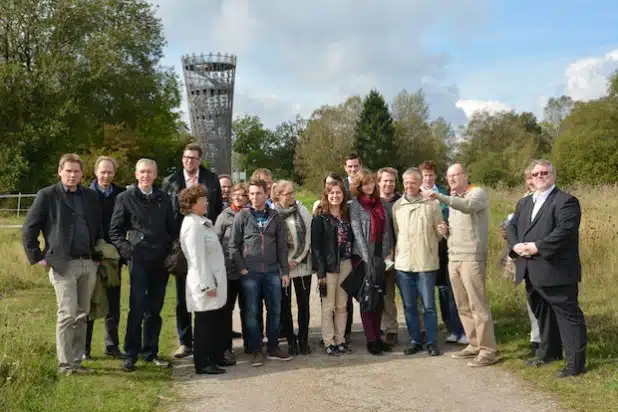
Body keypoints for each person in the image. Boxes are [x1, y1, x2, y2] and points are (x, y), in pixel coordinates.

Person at [22, 154, 102, 375]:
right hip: (62, 265)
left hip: (88, 262)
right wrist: (38, 257)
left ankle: (77, 362)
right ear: (60, 172)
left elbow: (97, 226)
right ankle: (65, 365)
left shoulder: (90, 196)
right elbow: (29, 229)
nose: (72, 175)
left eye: (76, 171)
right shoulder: (47, 195)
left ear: (82, 174)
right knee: (67, 314)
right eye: (68, 171)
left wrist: (98, 255)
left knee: (82, 314)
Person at [508, 160, 587, 378]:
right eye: (536, 173)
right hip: (530, 270)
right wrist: (515, 246)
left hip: (557, 271)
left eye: (545, 172)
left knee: (568, 317)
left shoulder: (567, 201)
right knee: (542, 313)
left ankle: (576, 365)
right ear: (530, 178)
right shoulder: (524, 203)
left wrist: (536, 247)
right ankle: (549, 352)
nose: (540, 176)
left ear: (553, 175)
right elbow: (513, 226)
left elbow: (564, 232)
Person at [423, 163, 497, 367]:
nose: (452, 179)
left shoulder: (477, 194)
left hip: (472, 257)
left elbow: (467, 207)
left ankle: (488, 350)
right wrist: (445, 231)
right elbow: (457, 227)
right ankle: (473, 344)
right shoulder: (455, 199)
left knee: (478, 305)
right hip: (453, 257)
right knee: (463, 305)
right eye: (449, 176)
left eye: (456, 175)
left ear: (465, 175)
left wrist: (438, 197)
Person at [110, 158, 176, 372]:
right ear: (136, 175)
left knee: (154, 310)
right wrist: (128, 251)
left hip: (160, 262)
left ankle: (150, 352)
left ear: (155, 175)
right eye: (142, 172)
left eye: (149, 172)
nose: (145, 176)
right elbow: (115, 231)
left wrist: (170, 253)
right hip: (138, 261)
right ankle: (131, 354)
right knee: (136, 308)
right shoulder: (125, 198)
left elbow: (171, 229)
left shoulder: (164, 198)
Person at [162, 143, 223, 359]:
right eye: (186, 157)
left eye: (193, 158)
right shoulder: (170, 181)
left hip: (204, 238)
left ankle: (206, 342)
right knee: (183, 296)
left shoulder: (210, 179)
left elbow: (216, 209)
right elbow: (166, 215)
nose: (189, 161)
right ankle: (185, 341)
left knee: (206, 290)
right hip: (180, 244)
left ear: (200, 160)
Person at [229, 179, 293, 367]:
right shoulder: (242, 216)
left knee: (275, 310)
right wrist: (242, 267)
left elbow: (282, 246)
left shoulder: (275, 216)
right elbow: (234, 245)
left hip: (273, 271)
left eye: (259, 193)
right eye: (252, 194)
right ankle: (256, 350)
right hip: (250, 273)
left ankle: (273, 347)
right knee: (252, 312)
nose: (255, 197)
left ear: (266, 194)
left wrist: (285, 271)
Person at [178, 185, 232, 374]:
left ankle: (216, 356)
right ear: (193, 204)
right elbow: (197, 259)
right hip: (204, 282)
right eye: (203, 200)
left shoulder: (201, 221)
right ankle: (203, 363)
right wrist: (207, 285)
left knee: (213, 322)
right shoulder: (192, 226)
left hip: (214, 279)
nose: (207, 202)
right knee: (204, 324)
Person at [393, 168, 443, 357]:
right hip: (404, 264)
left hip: (425, 263)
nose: (409, 186)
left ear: (420, 182)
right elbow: (398, 233)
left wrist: (442, 231)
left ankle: (431, 341)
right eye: (406, 182)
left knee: (429, 305)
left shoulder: (432, 204)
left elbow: (439, 234)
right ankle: (415, 340)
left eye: (413, 182)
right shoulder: (397, 206)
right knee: (409, 306)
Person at [419, 160, 466, 345]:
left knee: (447, 290)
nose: (428, 178)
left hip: (445, 248)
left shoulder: (445, 195)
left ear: (435, 176)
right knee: (427, 291)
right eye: (425, 175)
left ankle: (454, 328)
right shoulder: (415, 194)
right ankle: (427, 330)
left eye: (431, 175)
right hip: (425, 249)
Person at [84, 156, 126, 360]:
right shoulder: (85, 194)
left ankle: (112, 345)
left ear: (114, 173)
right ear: (95, 172)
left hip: (113, 257)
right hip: (90, 255)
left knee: (113, 302)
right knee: (89, 302)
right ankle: (85, 348)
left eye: (110, 172)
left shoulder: (121, 194)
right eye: (103, 172)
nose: (106, 175)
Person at [349, 169, 393, 355]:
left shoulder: (380, 203)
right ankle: (371, 340)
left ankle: (379, 336)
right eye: (364, 184)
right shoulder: (355, 206)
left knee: (379, 298)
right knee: (367, 299)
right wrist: (367, 260)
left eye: (370, 183)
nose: (368, 186)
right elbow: (357, 233)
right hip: (363, 257)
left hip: (379, 256)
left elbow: (386, 231)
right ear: (358, 187)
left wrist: (384, 255)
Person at [499, 166, 541, 358]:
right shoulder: (523, 202)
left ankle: (549, 339)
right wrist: (509, 234)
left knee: (548, 301)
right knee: (532, 300)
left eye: (536, 176)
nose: (532, 181)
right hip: (526, 260)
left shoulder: (554, 199)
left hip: (545, 259)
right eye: (529, 178)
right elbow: (514, 228)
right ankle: (537, 338)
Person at [312, 180, 354, 356]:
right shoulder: (320, 219)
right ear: (326, 196)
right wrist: (320, 272)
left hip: (346, 264)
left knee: (342, 305)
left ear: (343, 195)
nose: (335, 196)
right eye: (332, 193)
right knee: (328, 306)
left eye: (338, 193)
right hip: (329, 268)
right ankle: (329, 342)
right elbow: (316, 248)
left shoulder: (347, 216)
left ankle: (340, 340)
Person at [272, 180, 313, 355]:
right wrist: (284, 262)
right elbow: (272, 241)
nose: (292, 196)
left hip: (302, 264)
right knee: (285, 306)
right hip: (284, 266)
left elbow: (309, 235)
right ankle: (290, 341)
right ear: (279, 195)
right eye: (287, 193)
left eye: (293, 192)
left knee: (304, 304)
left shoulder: (301, 209)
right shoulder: (273, 213)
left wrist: (298, 257)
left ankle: (303, 340)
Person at [214, 183, 249, 362]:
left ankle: (250, 344)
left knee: (249, 309)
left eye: (242, 195)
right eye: (235, 194)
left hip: (248, 271)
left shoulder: (251, 214)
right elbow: (214, 241)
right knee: (226, 311)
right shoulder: (224, 216)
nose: (238, 197)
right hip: (228, 272)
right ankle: (225, 348)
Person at [377, 167, 401, 346]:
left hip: (405, 255)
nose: (388, 184)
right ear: (379, 182)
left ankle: (421, 330)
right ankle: (390, 330)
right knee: (387, 296)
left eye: (391, 181)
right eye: (385, 180)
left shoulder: (402, 201)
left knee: (412, 296)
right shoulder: (373, 203)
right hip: (383, 257)